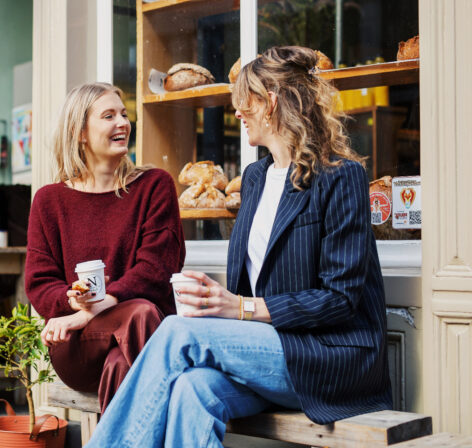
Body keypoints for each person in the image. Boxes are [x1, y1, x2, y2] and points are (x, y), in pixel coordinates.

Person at [85, 46, 392, 447]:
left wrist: (238, 307)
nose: (237, 112)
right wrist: (213, 303)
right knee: (193, 389)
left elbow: (341, 299)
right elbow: (249, 285)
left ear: (272, 103)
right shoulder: (254, 178)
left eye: (245, 101)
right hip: (271, 351)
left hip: (330, 358)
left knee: (178, 333)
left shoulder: (341, 177)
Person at [24, 82, 186, 413]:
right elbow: (40, 282)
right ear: (80, 133)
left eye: (124, 114)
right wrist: (73, 300)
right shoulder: (50, 201)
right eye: (108, 116)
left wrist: (93, 309)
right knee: (140, 314)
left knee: (122, 362)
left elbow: (158, 268)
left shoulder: (154, 186)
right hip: (79, 344)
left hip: (137, 329)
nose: (123, 123)